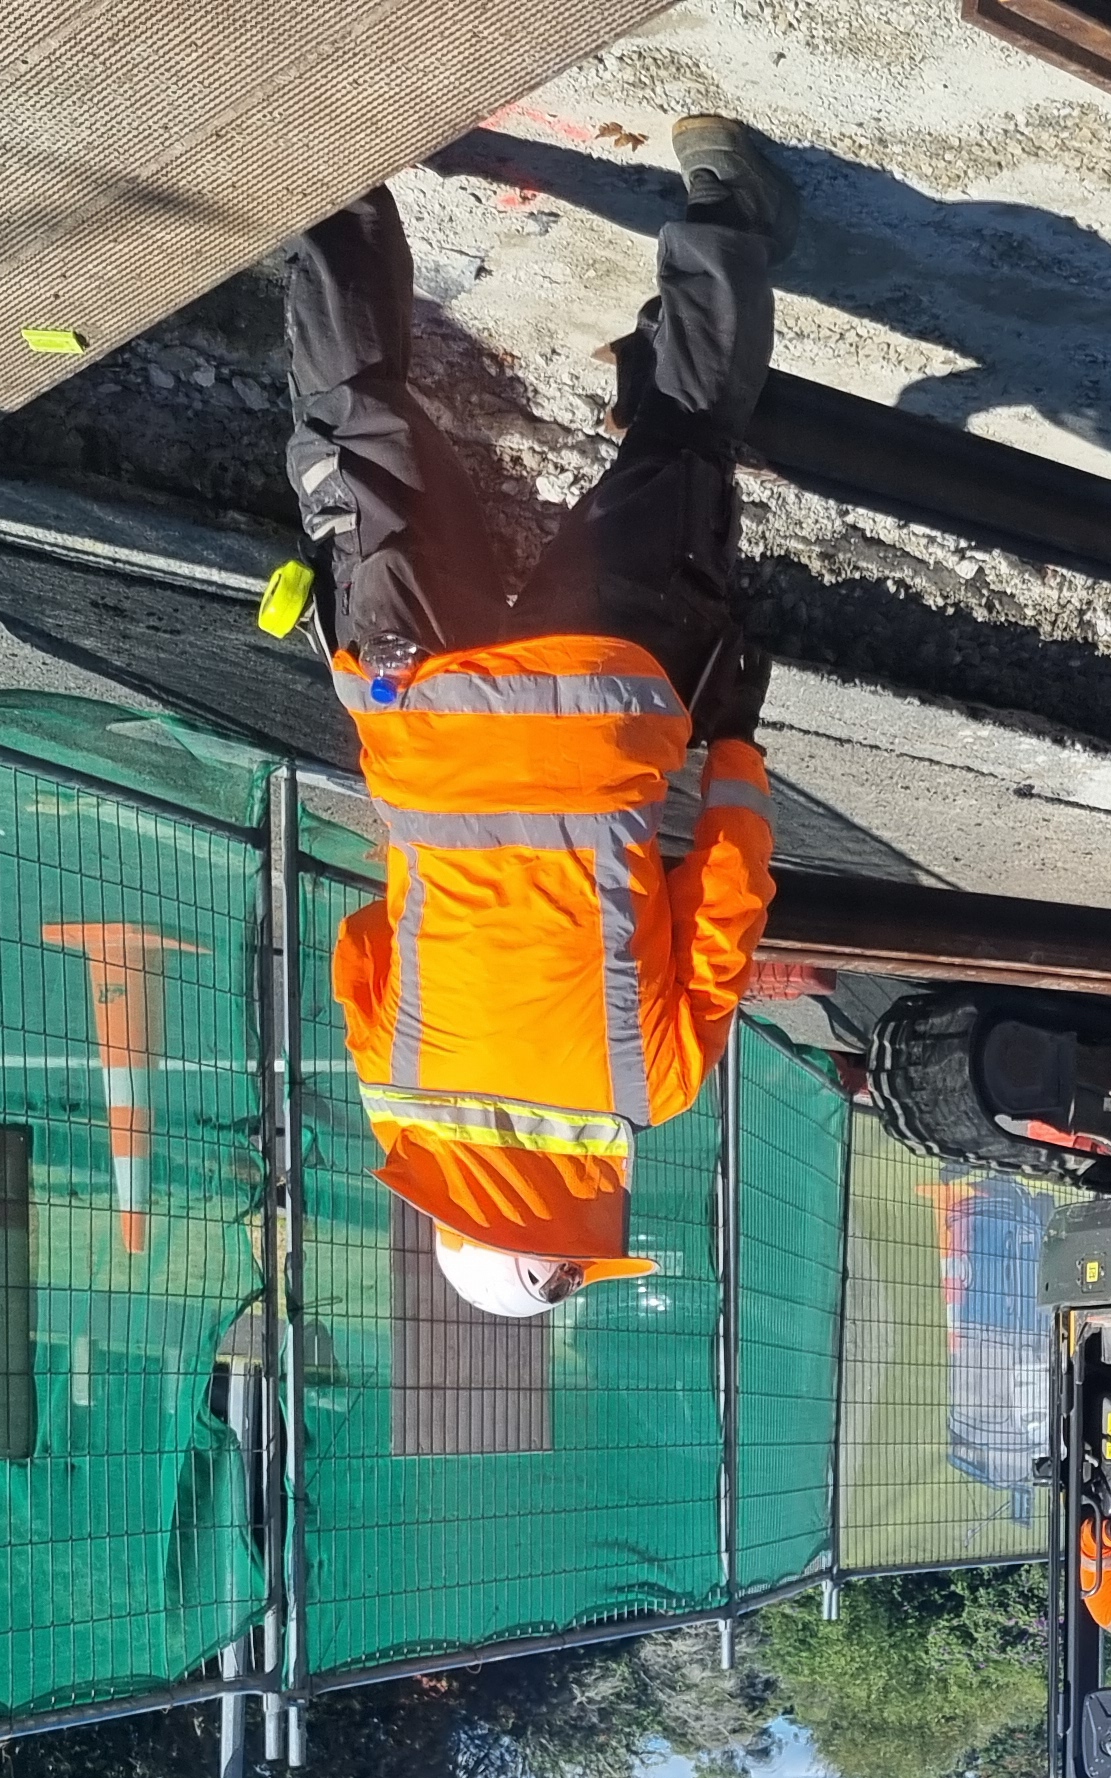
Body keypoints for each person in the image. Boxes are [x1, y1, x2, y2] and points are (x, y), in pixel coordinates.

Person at [281, 120, 794, 1320]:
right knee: (359, 415)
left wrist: (736, 743)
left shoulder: (646, 1091)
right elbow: (365, 945)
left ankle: (727, 208)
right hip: (424, 706)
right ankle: (320, 153)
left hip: (605, 699)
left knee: (684, 447)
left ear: (569, 1228)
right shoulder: (392, 1088)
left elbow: (723, 895)